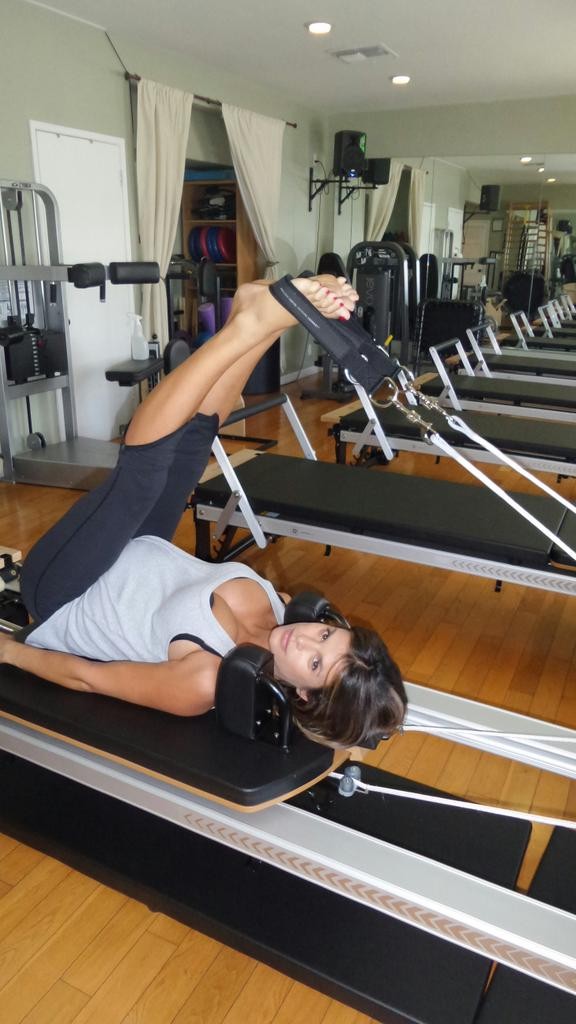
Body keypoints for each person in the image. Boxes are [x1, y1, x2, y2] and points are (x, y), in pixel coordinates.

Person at [0, 274, 407, 748]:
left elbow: (88, 678)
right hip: (138, 549)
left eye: (315, 664)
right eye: (325, 636)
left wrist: (9, 652)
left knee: (142, 478)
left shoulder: (203, 681)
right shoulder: (280, 609)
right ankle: (265, 321)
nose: (303, 638)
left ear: (302, 694)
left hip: (67, 591)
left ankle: (250, 326)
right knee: (195, 446)